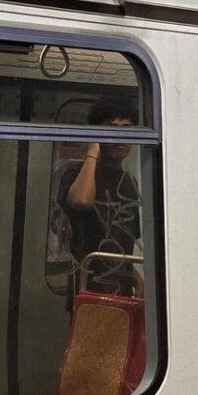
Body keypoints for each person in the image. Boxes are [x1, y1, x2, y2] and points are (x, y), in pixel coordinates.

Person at [56, 96, 142, 294]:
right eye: (112, 128)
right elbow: (81, 200)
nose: (120, 137)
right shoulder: (76, 174)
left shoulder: (128, 182)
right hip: (87, 286)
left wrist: (135, 276)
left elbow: (124, 241)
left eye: (127, 129)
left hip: (121, 286)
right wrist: (93, 149)